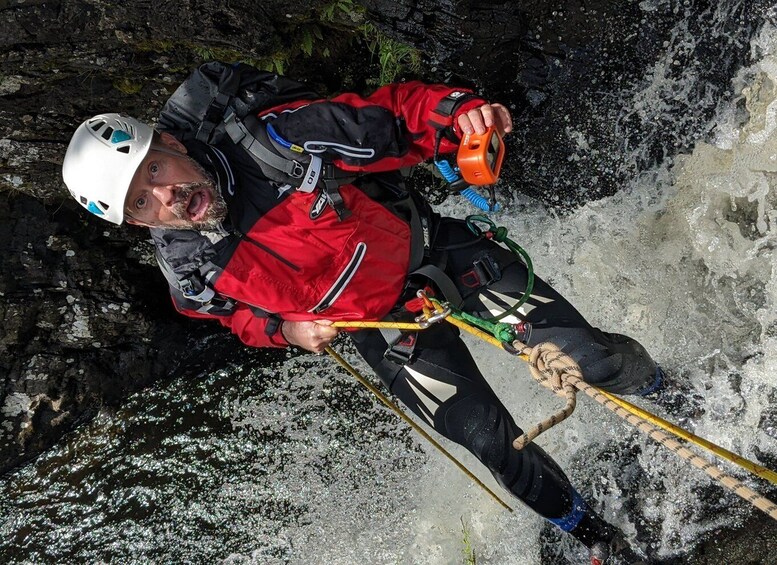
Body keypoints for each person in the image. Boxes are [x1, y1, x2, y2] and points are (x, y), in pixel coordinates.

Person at [62, 65, 662, 564]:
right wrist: (285, 330)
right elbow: (236, 319)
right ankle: (600, 542)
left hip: (441, 257)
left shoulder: (275, 141)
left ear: (170, 144)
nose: (167, 198)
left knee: (590, 362)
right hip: (383, 329)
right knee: (492, 444)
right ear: (138, 224)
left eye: (156, 171)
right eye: (143, 202)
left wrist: (460, 117)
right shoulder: (191, 268)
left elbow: (394, 118)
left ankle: (670, 392)